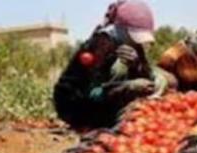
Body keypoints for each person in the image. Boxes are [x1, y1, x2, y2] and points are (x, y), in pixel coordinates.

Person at [53, 0, 169, 129]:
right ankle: (103, 123)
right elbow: (92, 92)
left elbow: (148, 75)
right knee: (131, 77)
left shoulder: (133, 45)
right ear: (120, 29)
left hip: (103, 99)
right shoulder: (100, 44)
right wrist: (127, 87)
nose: (135, 41)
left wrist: (136, 65)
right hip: (76, 106)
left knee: (161, 79)